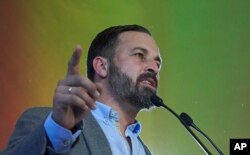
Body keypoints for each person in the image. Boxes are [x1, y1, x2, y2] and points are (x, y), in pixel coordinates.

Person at [2, 24, 162, 155]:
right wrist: (58, 129)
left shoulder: (145, 151)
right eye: (139, 55)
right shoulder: (44, 122)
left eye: (157, 63)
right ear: (102, 66)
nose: (153, 68)